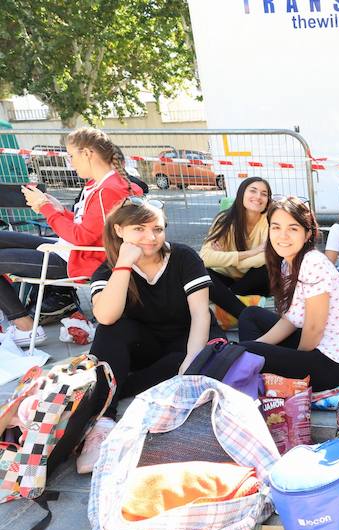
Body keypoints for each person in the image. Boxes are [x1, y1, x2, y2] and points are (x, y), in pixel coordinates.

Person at [58, 199, 217, 475]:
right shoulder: (108, 270)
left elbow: (201, 314)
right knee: (111, 328)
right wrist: (123, 266)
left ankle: (113, 390)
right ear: (119, 230)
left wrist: (192, 359)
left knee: (186, 361)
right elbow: (106, 317)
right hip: (146, 347)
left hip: (186, 339)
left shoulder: (183, 257)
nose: (150, 237)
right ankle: (103, 422)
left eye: (157, 229)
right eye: (139, 229)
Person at [2, 127, 143, 346]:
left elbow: (83, 237)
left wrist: (46, 208)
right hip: (70, 250)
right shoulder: (100, 185)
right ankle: (23, 325)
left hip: (79, 259)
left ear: (87, 153)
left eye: (72, 156)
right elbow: (88, 228)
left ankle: (25, 328)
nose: (70, 162)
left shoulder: (108, 189)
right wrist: (59, 210)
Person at [238, 196, 339, 391]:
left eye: (292, 229)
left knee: (247, 351)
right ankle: (251, 366)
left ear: (307, 233)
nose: (282, 236)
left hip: (334, 364)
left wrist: (289, 360)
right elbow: (291, 319)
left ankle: (252, 369)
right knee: (250, 316)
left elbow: (314, 330)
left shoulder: (313, 262)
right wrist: (257, 347)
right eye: (276, 227)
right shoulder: (288, 262)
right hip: (314, 346)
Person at [200, 177, 271, 319]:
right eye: (253, 191)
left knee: (265, 269)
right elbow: (204, 257)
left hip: (253, 280)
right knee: (202, 274)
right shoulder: (224, 220)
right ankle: (246, 315)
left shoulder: (270, 221)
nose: (258, 197)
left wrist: (225, 257)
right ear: (241, 194)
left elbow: (266, 258)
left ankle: (225, 299)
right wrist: (251, 252)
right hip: (225, 277)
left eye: (264, 194)